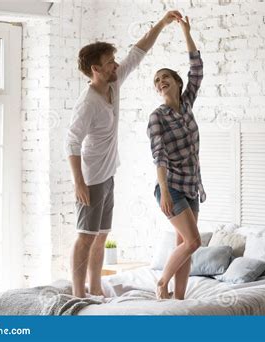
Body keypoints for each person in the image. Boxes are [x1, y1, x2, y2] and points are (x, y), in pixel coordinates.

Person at [65, 11, 183, 298]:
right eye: (109, 63)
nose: (115, 65)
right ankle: (78, 294)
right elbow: (71, 142)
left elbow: (138, 51)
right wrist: (79, 183)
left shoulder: (113, 84)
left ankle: (95, 288)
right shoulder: (87, 103)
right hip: (91, 179)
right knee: (84, 237)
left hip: (108, 175)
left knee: (101, 235)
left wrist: (164, 23)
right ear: (96, 69)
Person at [147, 16, 206, 300]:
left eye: (165, 77)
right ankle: (162, 283)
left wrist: (186, 32)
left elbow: (197, 68)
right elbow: (159, 156)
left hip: (191, 187)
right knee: (194, 241)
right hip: (170, 188)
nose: (160, 82)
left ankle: (180, 300)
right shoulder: (157, 117)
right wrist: (165, 192)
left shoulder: (186, 105)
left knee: (184, 243)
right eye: (157, 80)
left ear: (177, 83)